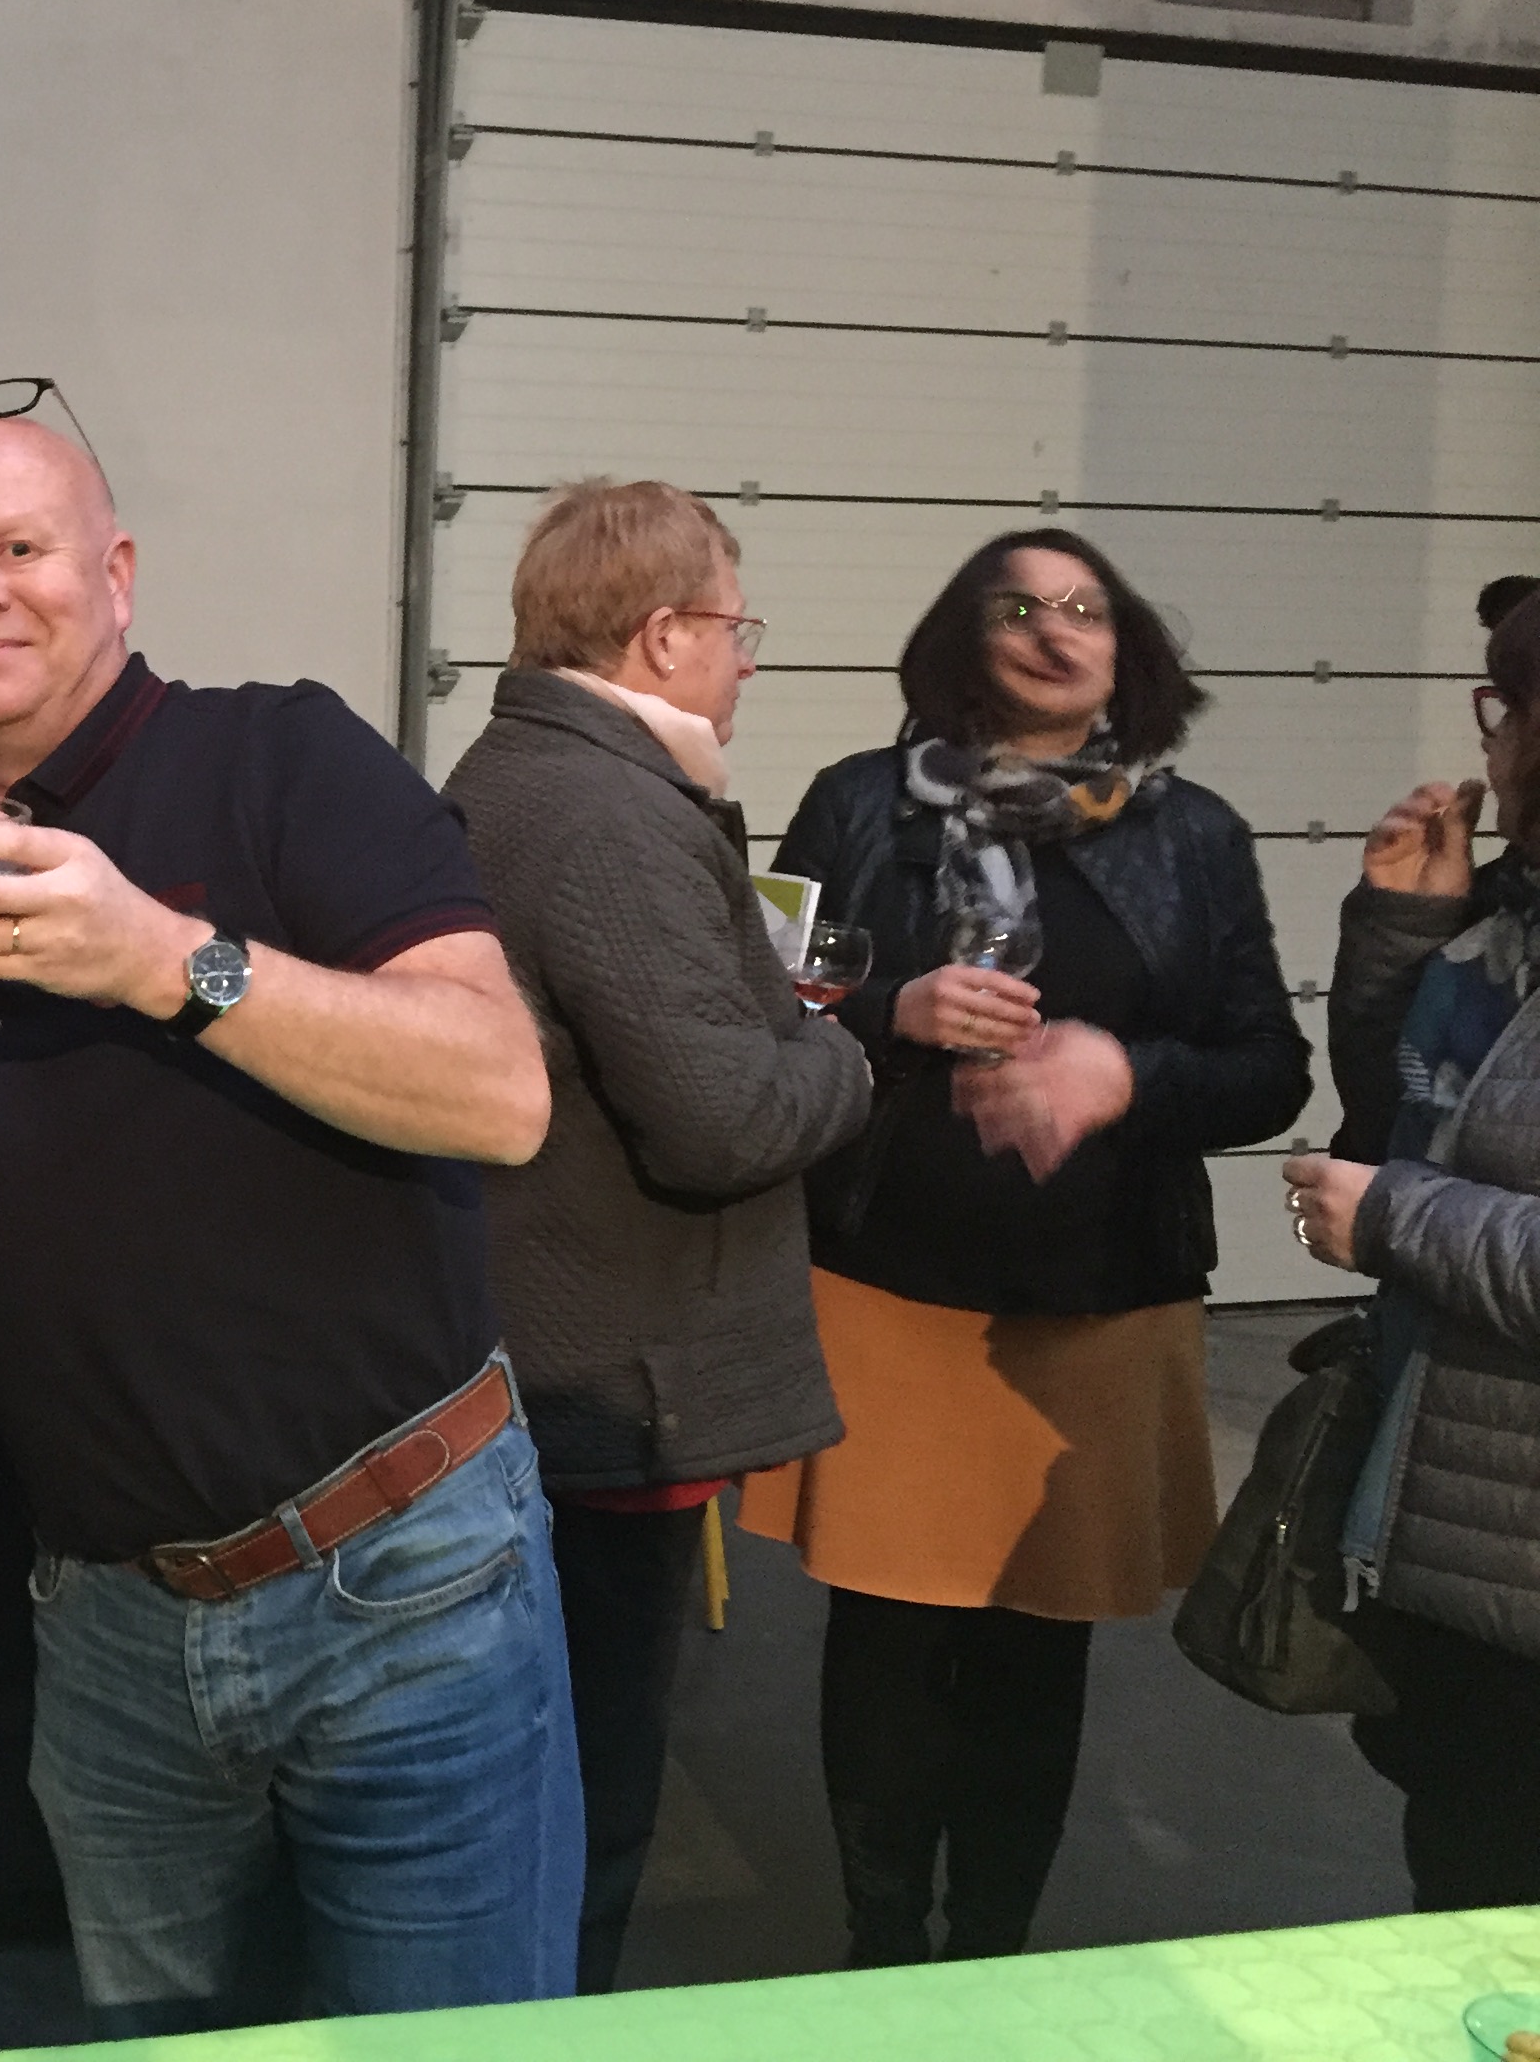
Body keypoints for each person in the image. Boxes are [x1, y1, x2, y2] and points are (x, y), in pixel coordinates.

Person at [0, 385, 576, 2034]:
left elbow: (499, 1092)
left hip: (403, 1586)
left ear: (116, 573)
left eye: (22, 548)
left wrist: (168, 959)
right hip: (109, 1628)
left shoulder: (279, 757)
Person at [745, 527, 1309, 1966]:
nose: (1059, 632)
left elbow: (1267, 1070)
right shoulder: (859, 803)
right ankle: (883, 1954)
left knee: (1035, 1654)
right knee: (884, 1645)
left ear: (1127, 650)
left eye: (1087, 610)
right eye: (1022, 608)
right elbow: (760, 1002)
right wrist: (893, 1010)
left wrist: (1128, 1075)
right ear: (965, 637)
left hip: (1098, 1304)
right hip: (890, 1288)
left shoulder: (1194, 834)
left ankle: (993, 1955)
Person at [442, 479, 873, 1993]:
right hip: (610, 1379)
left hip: (548, 1347)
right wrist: (843, 1055)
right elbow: (725, 1120)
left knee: (537, 1773)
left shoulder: (523, 772)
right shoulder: (614, 817)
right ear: (666, 633)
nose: (747, 662)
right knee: (588, 1785)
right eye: (739, 630)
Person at [1279, 585, 1540, 1910]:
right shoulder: (1510, 914)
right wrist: (1404, 931)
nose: (1488, 745)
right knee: (1468, 1899)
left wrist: (1392, 1219)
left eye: (1503, 709)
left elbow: (1401, 1183)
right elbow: (1398, 1119)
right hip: (1469, 1539)